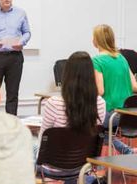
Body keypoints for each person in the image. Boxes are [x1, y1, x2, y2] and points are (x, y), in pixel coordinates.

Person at [36, 51, 106, 157]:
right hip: (84, 164)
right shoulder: (100, 103)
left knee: (29, 144)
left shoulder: (53, 103)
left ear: (67, 74)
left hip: (53, 165)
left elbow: (43, 138)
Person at [92, 24, 137, 154]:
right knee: (98, 131)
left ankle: (91, 167)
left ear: (96, 40)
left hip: (110, 113)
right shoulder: (121, 58)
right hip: (127, 115)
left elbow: (100, 91)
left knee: (87, 128)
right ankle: (127, 151)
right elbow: (134, 86)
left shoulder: (96, 61)